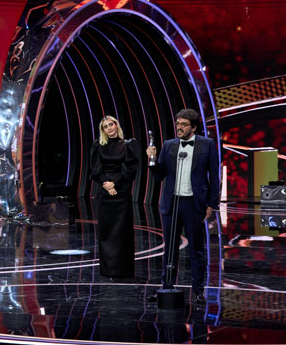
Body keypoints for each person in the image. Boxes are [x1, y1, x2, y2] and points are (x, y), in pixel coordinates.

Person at [146, 108, 219, 304]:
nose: (179, 127)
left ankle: (198, 291)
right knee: (170, 249)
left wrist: (211, 204)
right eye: (177, 124)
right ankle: (166, 287)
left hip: (194, 204)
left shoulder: (207, 144)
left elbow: (214, 176)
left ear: (193, 128)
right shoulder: (169, 145)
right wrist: (152, 160)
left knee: (196, 249)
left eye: (183, 125)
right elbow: (159, 176)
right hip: (172, 203)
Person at [90, 116, 140, 278]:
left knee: (122, 231)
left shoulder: (128, 145)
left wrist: (115, 185)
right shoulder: (98, 146)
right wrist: (106, 184)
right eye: (105, 127)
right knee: (106, 232)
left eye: (111, 124)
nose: (109, 128)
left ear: (116, 125)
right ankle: (108, 270)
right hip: (105, 192)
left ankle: (123, 270)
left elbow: (131, 170)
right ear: (103, 130)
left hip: (122, 191)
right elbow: (95, 171)